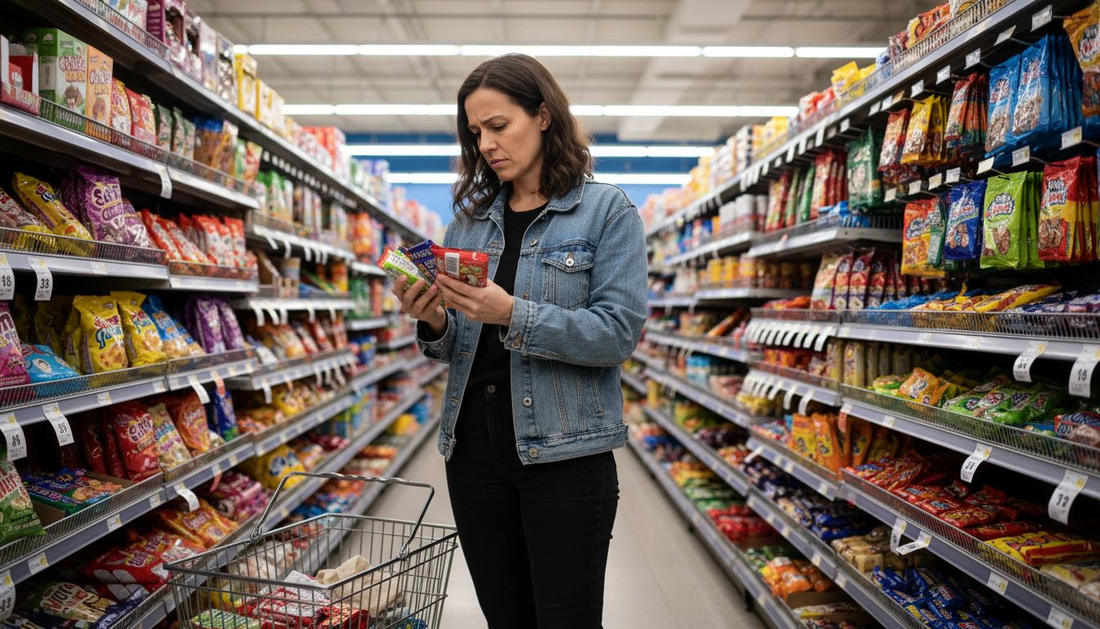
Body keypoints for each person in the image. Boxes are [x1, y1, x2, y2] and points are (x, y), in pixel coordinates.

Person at [391, 53, 648, 628]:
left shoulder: (606, 211)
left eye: (498, 126)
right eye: (475, 132)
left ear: (544, 117)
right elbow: (457, 343)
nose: (485, 144)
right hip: (474, 448)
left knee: (566, 618)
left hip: (565, 451)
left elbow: (617, 333)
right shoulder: (468, 223)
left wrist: (514, 314)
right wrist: (431, 320)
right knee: (504, 616)